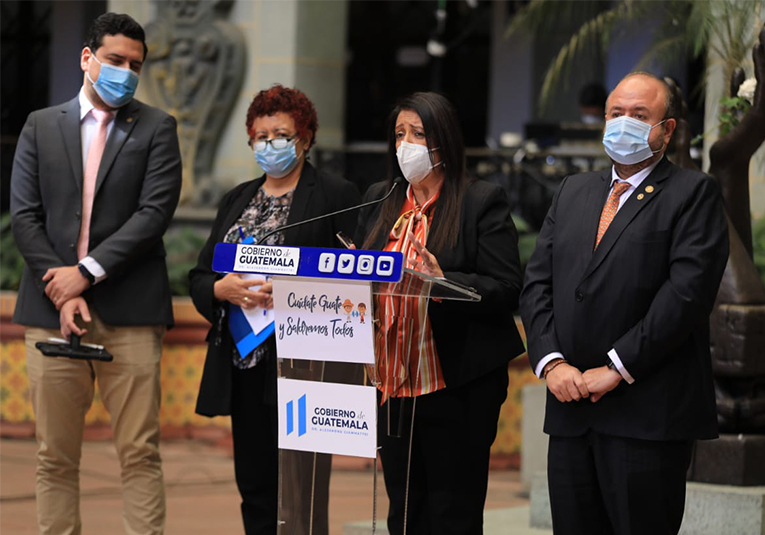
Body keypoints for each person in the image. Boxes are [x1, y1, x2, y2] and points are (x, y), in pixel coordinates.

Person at [520, 72, 729, 535]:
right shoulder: (574, 190)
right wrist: (552, 363)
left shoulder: (693, 193)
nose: (624, 124)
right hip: (572, 408)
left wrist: (616, 366)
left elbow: (686, 296)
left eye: (640, 116)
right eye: (616, 114)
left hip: (646, 416)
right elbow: (537, 283)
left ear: (667, 129)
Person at [10, 13, 182, 535]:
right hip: (49, 309)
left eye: (135, 65)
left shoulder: (156, 127)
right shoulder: (41, 124)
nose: (125, 72)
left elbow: (153, 215)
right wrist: (62, 290)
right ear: (87, 59)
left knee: (139, 453)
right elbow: (25, 216)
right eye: (115, 60)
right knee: (55, 457)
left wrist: (83, 275)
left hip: (129, 312)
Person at [189, 84, 360, 535]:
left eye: (280, 134)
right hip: (244, 364)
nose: (270, 145)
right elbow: (200, 276)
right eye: (260, 137)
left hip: (303, 366)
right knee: (256, 484)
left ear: (304, 138)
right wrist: (221, 289)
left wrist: (296, 289)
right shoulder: (237, 198)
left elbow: (353, 276)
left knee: (300, 489)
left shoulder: (335, 195)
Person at [355, 92, 525, 535]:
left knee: (452, 513)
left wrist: (442, 278)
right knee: (404, 513)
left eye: (418, 134)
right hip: (390, 385)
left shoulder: (479, 200)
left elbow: (507, 287)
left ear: (443, 140)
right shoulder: (381, 198)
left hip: (455, 384)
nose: (405, 144)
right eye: (399, 134)